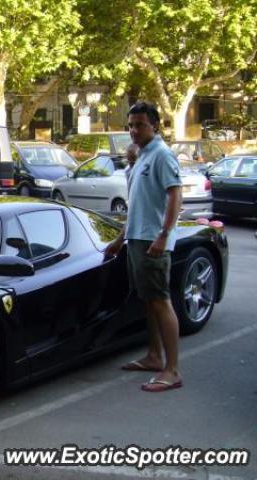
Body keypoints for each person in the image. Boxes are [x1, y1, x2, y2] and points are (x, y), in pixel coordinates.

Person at [105, 102, 183, 393]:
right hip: (138, 239)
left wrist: (164, 235)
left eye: (140, 125)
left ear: (155, 126)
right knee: (148, 300)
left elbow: (176, 196)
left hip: (153, 241)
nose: (134, 131)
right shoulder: (142, 157)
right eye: (130, 126)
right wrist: (120, 239)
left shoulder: (162, 155)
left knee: (161, 301)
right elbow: (138, 206)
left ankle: (172, 370)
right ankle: (154, 356)